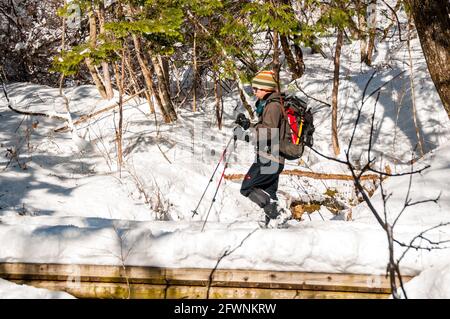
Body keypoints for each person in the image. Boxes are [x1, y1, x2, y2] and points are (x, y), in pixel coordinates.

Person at [233, 70, 291, 228]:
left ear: (266, 89)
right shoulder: (271, 104)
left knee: (247, 188)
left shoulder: (273, 106)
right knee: (269, 194)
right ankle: (274, 226)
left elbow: (268, 132)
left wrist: (248, 128)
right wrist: (247, 128)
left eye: (256, 88)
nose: (254, 91)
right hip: (273, 158)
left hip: (268, 159)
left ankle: (278, 214)